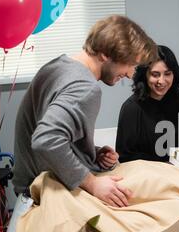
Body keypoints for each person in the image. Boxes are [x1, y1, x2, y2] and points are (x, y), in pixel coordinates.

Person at [12, 15, 158, 208]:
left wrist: (90, 152)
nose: (130, 74)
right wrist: (92, 183)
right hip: (42, 192)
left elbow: (47, 129)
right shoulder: (85, 88)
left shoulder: (58, 66)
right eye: (129, 64)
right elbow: (46, 139)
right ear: (105, 54)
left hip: (26, 184)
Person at [116, 45, 179, 163]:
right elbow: (125, 156)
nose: (161, 81)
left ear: (174, 74)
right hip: (147, 173)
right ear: (145, 76)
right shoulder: (131, 108)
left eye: (167, 74)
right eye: (155, 74)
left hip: (178, 169)